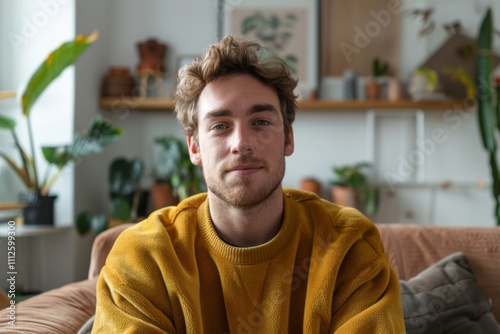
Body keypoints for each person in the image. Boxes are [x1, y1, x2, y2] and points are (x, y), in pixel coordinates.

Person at [92, 35, 405, 333]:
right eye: (219, 126)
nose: (241, 143)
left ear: (288, 138)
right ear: (194, 147)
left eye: (261, 122)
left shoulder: (349, 245)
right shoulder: (145, 256)